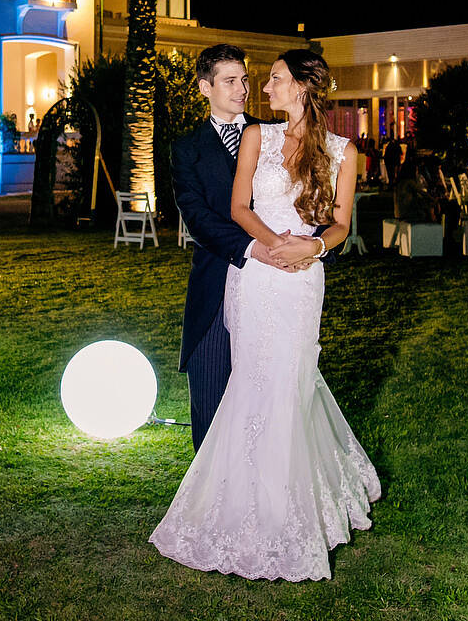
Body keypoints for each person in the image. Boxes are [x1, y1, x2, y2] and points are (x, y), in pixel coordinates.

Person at [151, 48, 381, 582]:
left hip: (302, 283)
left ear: (301, 87)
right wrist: (269, 245)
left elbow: (341, 223)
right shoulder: (250, 139)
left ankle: (291, 508)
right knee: (251, 387)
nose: (257, 87)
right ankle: (235, 505)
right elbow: (226, 210)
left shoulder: (341, 150)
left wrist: (313, 249)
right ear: (207, 87)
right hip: (250, 274)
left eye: (269, 78)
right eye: (238, 80)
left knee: (292, 383)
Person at [165, 44, 285, 453]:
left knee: (269, 395)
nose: (242, 89)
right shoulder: (187, 148)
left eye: (245, 79)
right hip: (217, 280)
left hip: (275, 283)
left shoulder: (274, 136)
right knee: (212, 393)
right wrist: (253, 248)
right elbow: (196, 216)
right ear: (205, 87)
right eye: (230, 81)